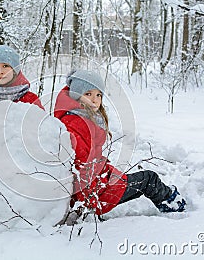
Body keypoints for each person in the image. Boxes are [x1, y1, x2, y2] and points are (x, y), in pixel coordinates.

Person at [54, 70, 186, 225]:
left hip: (98, 184)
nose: (95, 100)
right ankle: (172, 203)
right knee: (149, 179)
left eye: (98, 95)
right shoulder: (77, 123)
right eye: (88, 94)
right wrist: (90, 202)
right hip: (96, 193)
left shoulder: (81, 118)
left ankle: (168, 197)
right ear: (77, 95)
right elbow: (82, 168)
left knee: (142, 180)